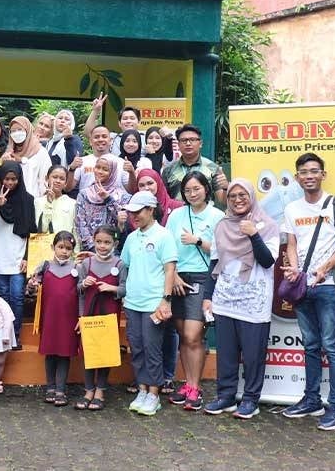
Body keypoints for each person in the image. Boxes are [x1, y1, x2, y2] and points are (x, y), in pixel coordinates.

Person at [279, 152, 335, 430]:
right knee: (310, 345)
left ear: (322, 174)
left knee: (331, 346)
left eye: (314, 171)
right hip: (303, 288)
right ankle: (311, 399)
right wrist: (296, 270)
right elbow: (290, 244)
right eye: (303, 172)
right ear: (297, 177)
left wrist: (325, 267)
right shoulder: (292, 209)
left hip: (327, 287)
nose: (309, 176)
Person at [203, 179, 280, 419]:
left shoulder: (267, 225)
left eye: (242, 195)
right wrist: (208, 296)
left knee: (253, 354)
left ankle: (250, 400)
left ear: (251, 197)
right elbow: (215, 263)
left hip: (254, 299)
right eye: (233, 196)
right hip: (225, 297)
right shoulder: (222, 226)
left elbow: (268, 261)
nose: (237, 200)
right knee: (226, 352)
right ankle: (225, 396)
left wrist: (254, 235)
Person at [166, 171, 224, 411]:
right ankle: (188, 385)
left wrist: (199, 241)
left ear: (206, 189)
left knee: (193, 335)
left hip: (203, 277)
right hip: (178, 276)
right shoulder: (177, 215)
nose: (192, 194)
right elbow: (166, 246)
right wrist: (174, 275)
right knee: (182, 333)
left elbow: (224, 250)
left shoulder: (217, 216)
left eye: (196, 189)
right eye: (187, 190)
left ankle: (195, 386)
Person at [120, 191, 182, 417]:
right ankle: (142, 388)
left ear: (150, 210)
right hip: (133, 302)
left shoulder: (164, 235)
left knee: (152, 348)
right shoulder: (132, 237)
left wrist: (166, 299)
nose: (134, 216)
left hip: (153, 303)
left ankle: (154, 393)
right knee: (136, 347)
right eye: (132, 213)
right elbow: (125, 264)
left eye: (138, 212)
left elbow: (170, 269)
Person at [0, 162, 37, 345]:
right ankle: (3, 335)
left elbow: (32, 231)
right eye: (7, 179)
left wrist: (28, 257)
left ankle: (16, 334)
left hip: (18, 256)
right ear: (1, 179)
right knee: (3, 297)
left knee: (17, 295)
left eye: (14, 179)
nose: (10, 182)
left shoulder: (28, 200)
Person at [76, 225, 127, 411]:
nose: (102, 246)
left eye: (107, 242)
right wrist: (83, 284)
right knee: (89, 351)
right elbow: (78, 291)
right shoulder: (86, 264)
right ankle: (88, 389)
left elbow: (125, 288)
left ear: (114, 243)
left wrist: (111, 288)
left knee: (105, 352)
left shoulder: (119, 264)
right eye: (99, 242)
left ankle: (100, 390)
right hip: (89, 314)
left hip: (109, 314)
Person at [28, 231, 80, 407]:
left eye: (68, 248)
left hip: (69, 318)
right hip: (49, 317)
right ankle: (50, 387)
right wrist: (32, 285)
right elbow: (32, 289)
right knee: (50, 353)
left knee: (64, 354)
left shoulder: (77, 267)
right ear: (53, 247)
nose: (64, 251)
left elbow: (81, 293)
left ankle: (60, 389)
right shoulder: (45, 266)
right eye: (60, 247)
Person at [161, 124, 228, 207]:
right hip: (178, 216)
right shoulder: (168, 170)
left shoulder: (212, 167)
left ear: (200, 143)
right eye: (184, 140)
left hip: (205, 217)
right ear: (178, 144)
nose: (188, 143)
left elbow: (223, 201)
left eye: (192, 140)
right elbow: (164, 200)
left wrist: (225, 188)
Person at [75, 157, 127, 252]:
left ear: (113, 172)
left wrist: (108, 199)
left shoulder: (120, 195)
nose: (100, 171)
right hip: (89, 250)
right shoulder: (84, 194)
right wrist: (92, 246)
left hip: (112, 250)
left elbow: (120, 223)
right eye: (97, 167)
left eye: (105, 169)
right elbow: (80, 222)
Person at [3, 116, 52, 198]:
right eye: (13, 131)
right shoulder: (9, 153)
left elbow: (45, 179)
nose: (16, 133)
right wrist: (4, 163)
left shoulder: (40, 152)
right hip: (10, 200)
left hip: (33, 200)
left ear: (27, 130)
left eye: (20, 130)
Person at [66, 124, 116, 196]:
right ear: (90, 141)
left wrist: (131, 172)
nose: (100, 139)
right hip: (86, 204)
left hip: (111, 204)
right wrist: (72, 169)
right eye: (96, 137)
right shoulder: (82, 162)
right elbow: (68, 188)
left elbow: (131, 190)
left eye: (104, 136)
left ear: (110, 140)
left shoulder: (120, 162)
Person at [34, 165, 77, 237]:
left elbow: (75, 231)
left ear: (65, 183)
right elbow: (42, 228)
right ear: (47, 178)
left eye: (62, 179)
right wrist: (49, 203)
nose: (58, 181)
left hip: (65, 245)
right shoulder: (38, 202)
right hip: (45, 245)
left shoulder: (72, 203)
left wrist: (76, 248)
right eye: (54, 177)